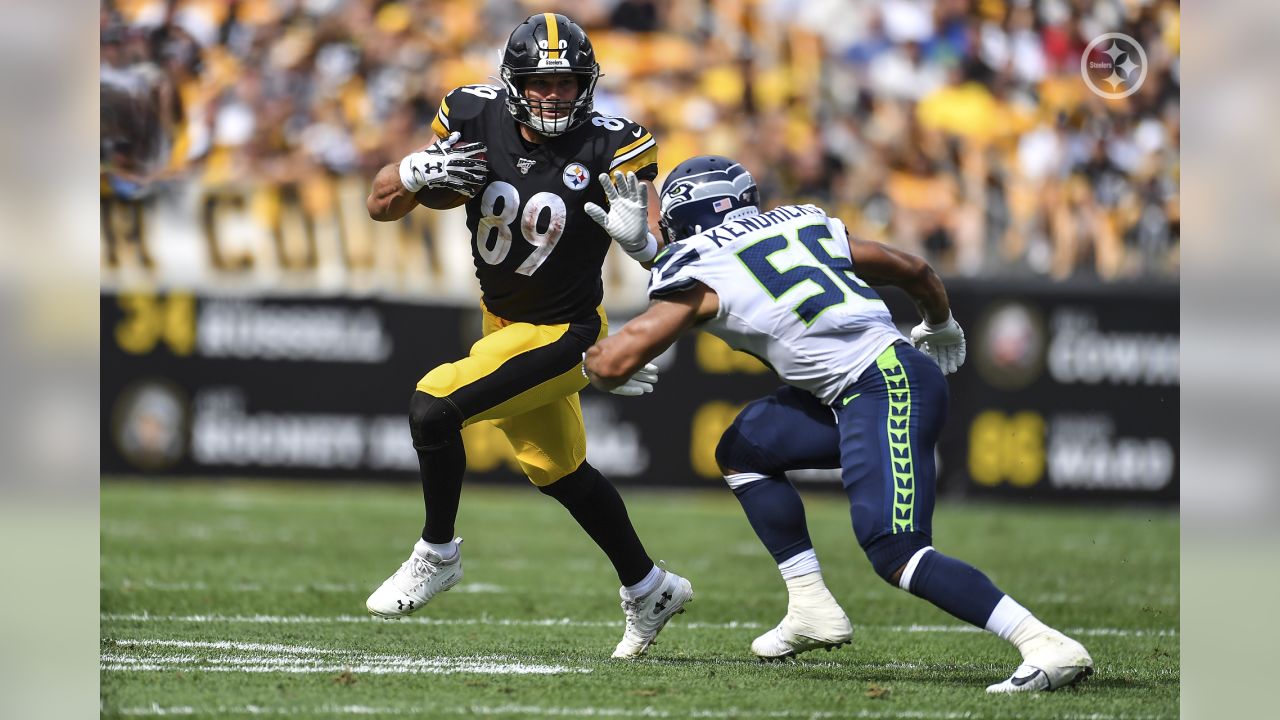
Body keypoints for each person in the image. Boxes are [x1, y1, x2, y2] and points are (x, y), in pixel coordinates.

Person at [583, 155, 1094, 691]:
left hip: (883, 386)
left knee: (895, 549)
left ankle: (1043, 642)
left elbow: (623, 351)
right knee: (744, 449)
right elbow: (913, 269)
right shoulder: (800, 222)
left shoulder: (695, 265)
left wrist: (593, 363)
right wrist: (939, 323)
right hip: (872, 382)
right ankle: (809, 604)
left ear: (685, 218)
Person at [363, 12, 691, 659]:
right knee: (560, 471)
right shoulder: (468, 115)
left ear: (587, 84)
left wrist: (644, 243)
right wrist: (411, 174)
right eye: (540, 82)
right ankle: (648, 586)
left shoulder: (613, 143)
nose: (553, 94)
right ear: (514, 83)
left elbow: (670, 256)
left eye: (567, 82)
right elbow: (380, 205)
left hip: (567, 333)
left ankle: (438, 552)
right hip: (504, 325)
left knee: (434, 406)